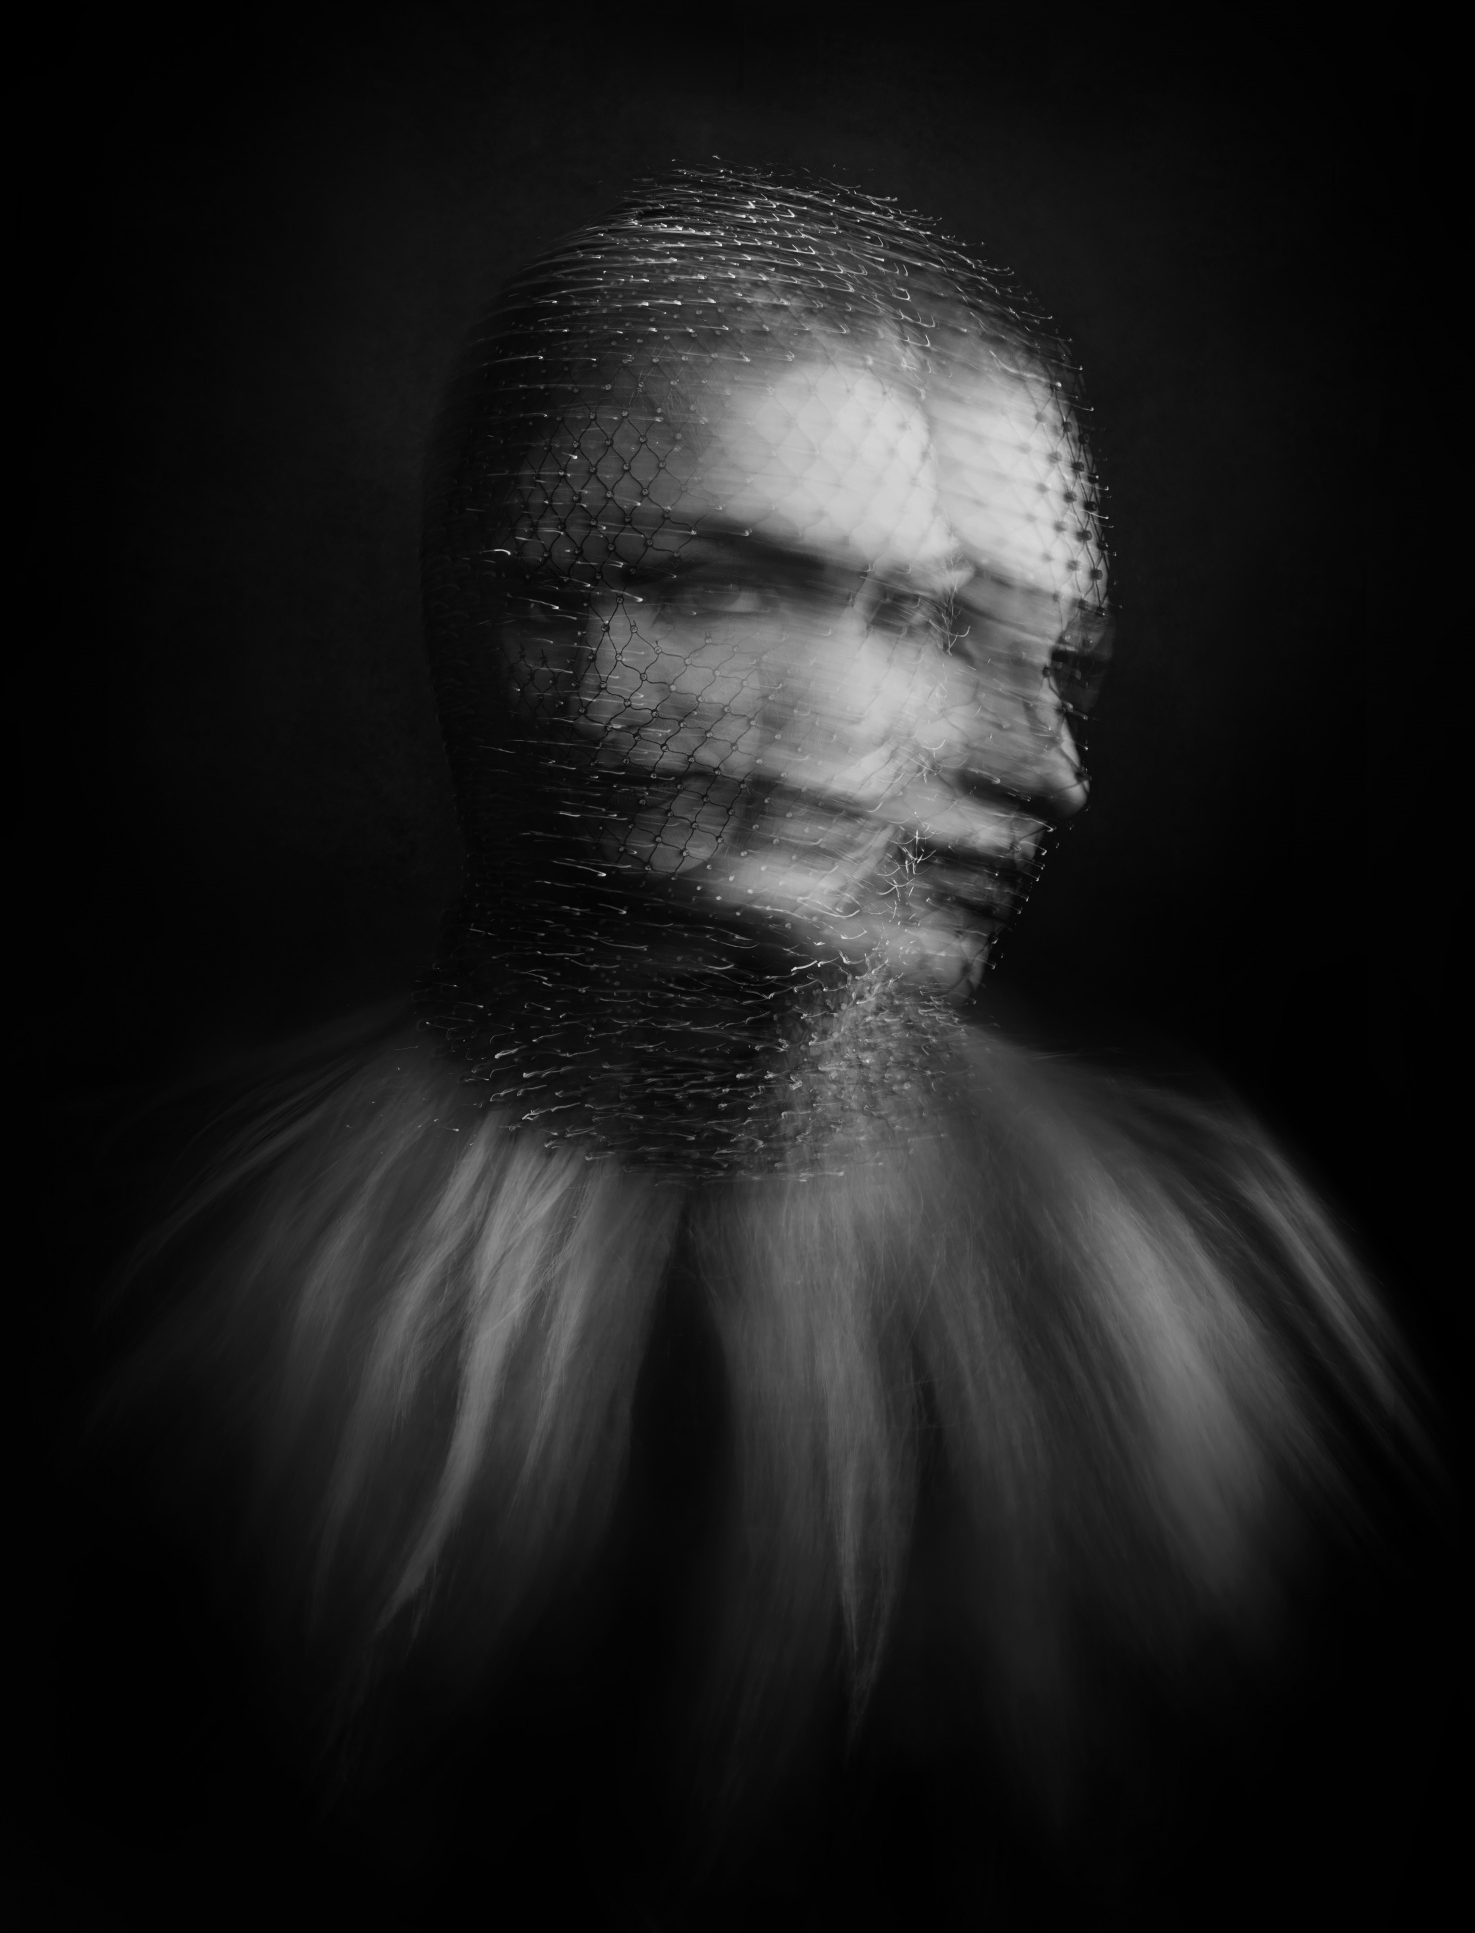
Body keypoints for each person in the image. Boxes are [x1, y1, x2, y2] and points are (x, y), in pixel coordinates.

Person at [97, 169, 1418, 1920]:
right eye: (909, 617)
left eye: (1054, 655)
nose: (1042, 767)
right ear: (541, 617)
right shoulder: (189, 1309)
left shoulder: (1210, 1294)